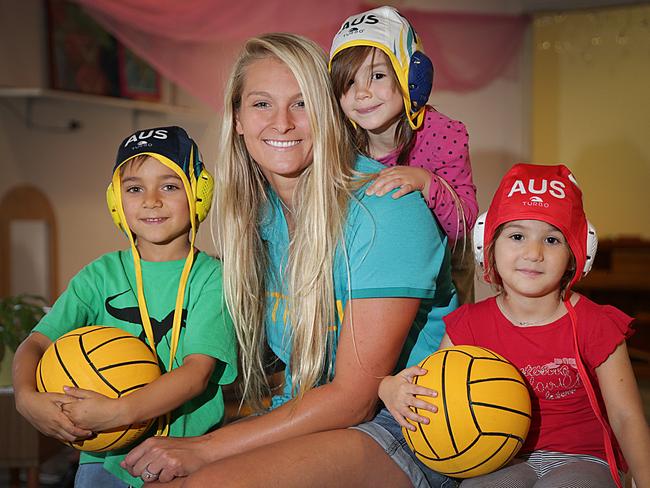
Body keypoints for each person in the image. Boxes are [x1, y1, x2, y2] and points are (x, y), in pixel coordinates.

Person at [119, 33, 458, 488]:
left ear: (329, 114)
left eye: (301, 104)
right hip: (313, 414)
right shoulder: (260, 218)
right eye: (261, 104)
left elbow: (354, 400)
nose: (281, 123)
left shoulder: (385, 210)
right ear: (237, 119)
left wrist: (203, 449)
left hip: (408, 428)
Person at [379, 163, 650, 488]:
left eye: (552, 240)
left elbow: (626, 417)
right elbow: (436, 395)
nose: (533, 253)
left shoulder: (597, 324)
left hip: (582, 458)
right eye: (517, 236)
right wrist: (388, 388)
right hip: (497, 458)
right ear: (488, 243)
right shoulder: (469, 325)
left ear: (577, 255)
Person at [12, 126, 238, 487]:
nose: (151, 200)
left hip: (183, 457)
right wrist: (26, 399)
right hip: (104, 458)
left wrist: (118, 411)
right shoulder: (100, 276)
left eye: (169, 185)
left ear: (199, 193)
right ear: (116, 201)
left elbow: (196, 373)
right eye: (134, 188)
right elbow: (36, 344)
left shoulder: (213, 279)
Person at [329, 6, 478, 304]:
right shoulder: (344, 144)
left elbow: (464, 225)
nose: (362, 92)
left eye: (378, 75)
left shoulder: (443, 134)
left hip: (444, 276)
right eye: (349, 82)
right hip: (378, 268)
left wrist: (426, 182)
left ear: (412, 76)